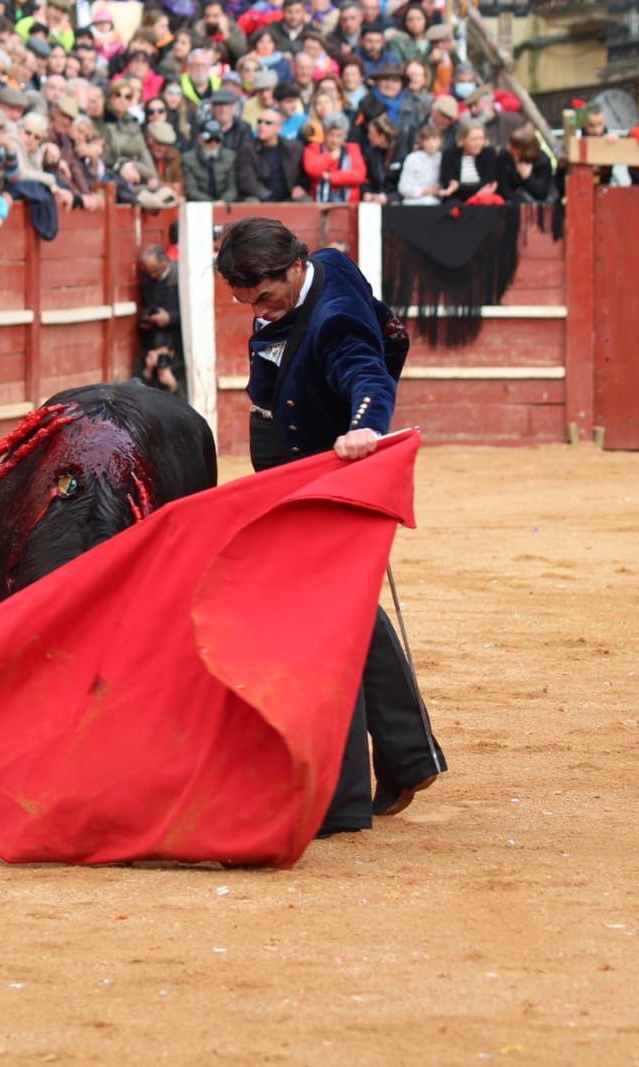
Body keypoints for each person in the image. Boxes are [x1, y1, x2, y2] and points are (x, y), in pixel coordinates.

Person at [214, 216, 446, 835]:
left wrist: (366, 423)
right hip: (294, 473)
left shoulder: (334, 314)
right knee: (348, 612)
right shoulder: (328, 263)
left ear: (295, 268)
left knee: (325, 620)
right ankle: (406, 754)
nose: (257, 311)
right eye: (244, 301)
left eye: (264, 297)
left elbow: (366, 367)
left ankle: (345, 795)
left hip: (323, 473)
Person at [135, 243, 183, 396]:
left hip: (177, 340)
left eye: (155, 271)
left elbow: (195, 313)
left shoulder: (182, 275)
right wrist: (146, 321)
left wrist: (170, 318)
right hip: (154, 338)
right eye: (149, 272)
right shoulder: (147, 279)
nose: (153, 276)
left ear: (165, 261)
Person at [396, 121, 443, 204]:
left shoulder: (444, 158)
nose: (431, 143)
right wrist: (424, 191)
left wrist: (437, 191)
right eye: (427, 139)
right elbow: (403, 187)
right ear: (421, 141)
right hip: (412, 203)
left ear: (440, 140)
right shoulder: (412, 158)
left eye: (434, 139)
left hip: (436, 204)